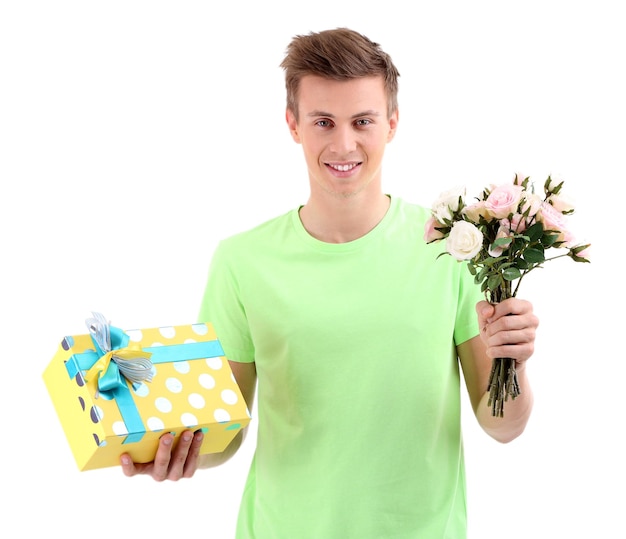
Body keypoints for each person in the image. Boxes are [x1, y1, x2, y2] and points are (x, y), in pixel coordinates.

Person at [121, 27, 539, 538]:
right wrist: (172, 448)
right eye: (324, 122)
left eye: (363, 120)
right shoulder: (242, 261)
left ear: (392, 124)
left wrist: (511, 363)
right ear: (294, 125)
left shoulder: (453, 249)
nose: (344, 144)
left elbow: (502, 425)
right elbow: (223, 439)